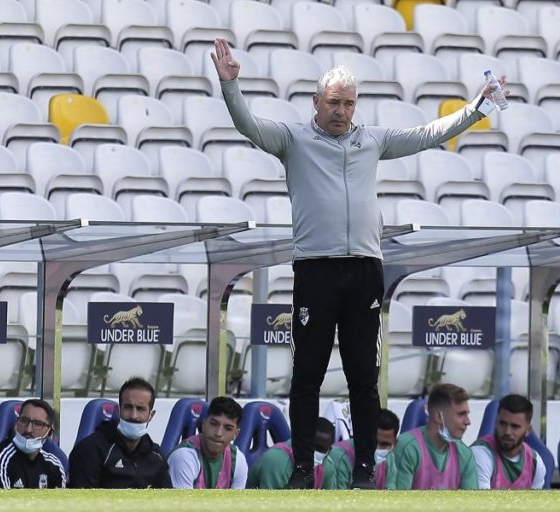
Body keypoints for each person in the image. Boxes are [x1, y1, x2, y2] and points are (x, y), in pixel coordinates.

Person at [210, 37, 508, 489]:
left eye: (348, 103)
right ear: (316, 101)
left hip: (366, 268)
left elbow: (428, 134)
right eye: (333, 102)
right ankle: (303, 468)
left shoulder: (372, 141)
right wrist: (231, 86)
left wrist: (477, 109)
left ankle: (366, 469)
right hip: (316, 268)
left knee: (363, 377)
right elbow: (249, 126)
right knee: (307, 376)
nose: (341, 111)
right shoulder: (293, 140)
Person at [68, 377, 171, 488]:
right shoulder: (89, 451)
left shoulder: (157, 456)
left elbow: (169, 501)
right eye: (128, 407)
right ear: (118, 410)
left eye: (140, 409)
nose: (133, 415)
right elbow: (81, 502)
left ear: (151, 415)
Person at [385, 383, 478, 490]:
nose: (468, 422)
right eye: (461, 414)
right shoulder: (407, 448)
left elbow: (471, 505)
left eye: (467, 414)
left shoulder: (465, 455)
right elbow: (397, 503)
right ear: (439, 416)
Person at [0, 398, 66, 489]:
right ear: (16, 423)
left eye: (37, 424)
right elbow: (1, 505)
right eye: (24, 421)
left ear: (49, 432)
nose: (28, 429)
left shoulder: (54, 465)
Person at [168, 396, 247, 489]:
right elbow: (183, 503)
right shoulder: (184, 456)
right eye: (214, 424)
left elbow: (237, 503)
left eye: (228, 428)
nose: (218, 433)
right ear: (204, 424)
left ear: (235, 434)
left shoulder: (238, 459)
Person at [470, 394, 546, 489]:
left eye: (515, 426)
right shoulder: (479, 453)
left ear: (528, 430)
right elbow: (481, 503)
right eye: (502, 423)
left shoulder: (536, 463)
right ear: (496, 422)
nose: (507, 432)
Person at [247, 417, 336, 489]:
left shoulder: (327, 465)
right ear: (302, 440)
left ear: (330, 449)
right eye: (314, 447)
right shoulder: (276, 460)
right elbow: (271, 504)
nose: (317, 452)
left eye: (322, 449)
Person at [331, 408, 400, 489]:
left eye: (384, 444)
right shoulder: (339, 456)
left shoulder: (389, 458)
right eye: (374, 442)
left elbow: (391, 496)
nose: (377, 448)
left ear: (395, 444)